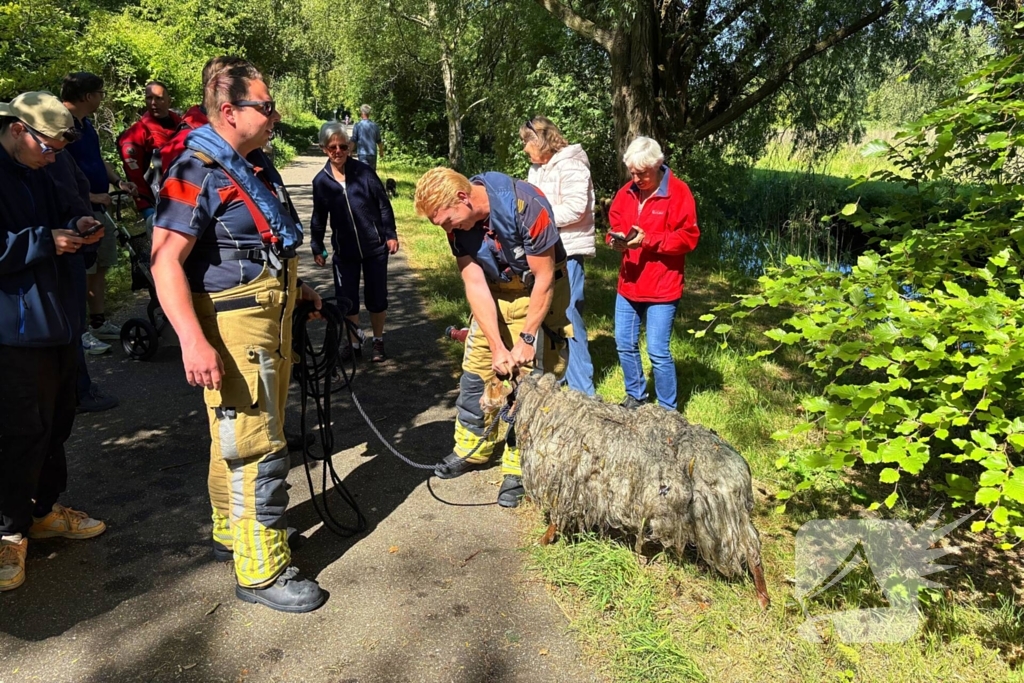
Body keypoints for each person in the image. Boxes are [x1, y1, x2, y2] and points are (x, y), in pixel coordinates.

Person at [150, 62, 326, 613]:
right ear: (229, 112)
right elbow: (164, 263)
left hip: (267, 318)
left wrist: (299, 293)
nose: (275, 116)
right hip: (234, 328)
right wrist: (192, 340)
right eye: (266, 107)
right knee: (254, 445)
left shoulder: (251, 164)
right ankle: (262, 569)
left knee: (234, 436)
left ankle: (236, 530)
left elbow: (255, 246)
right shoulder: (195, 167)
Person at [0, 91, 108, 592]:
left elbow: (70, 202)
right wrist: (43, 240)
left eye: (60, 147)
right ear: (19, 129)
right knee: (20, 429)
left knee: (60, 417)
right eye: (47, 145)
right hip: (11, 331)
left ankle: (43, 511)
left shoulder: (47, 163)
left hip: (59, 317)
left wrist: (82, 223)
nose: (53, 155)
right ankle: (7, 534)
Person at [414, 167, 572, 508]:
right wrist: (498, 346)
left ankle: (519, 468)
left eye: (446, 221)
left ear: (462, 197)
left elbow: (544, 279)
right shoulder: (457, 226)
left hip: (537, 291)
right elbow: (474, 284)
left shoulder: (527, 205)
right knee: (476, 372)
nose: (447, 229)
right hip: (495, 291)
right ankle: (473, 449)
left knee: (528, 384)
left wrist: (526, 340)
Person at [607, 137, 699, 411]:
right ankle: (635, 397)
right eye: (632, 173)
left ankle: (668, 410)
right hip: (629, 282)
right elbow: (614, 224)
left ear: (658, 165)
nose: (636, 179)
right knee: (624, 344)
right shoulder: (626, 192)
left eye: (642, 173)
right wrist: (615, 241)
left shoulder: (679, 192)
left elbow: (689, 238)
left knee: (658, 351)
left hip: (662, 286)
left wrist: (650, 240)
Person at [520, 116, 596, 396]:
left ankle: (583, 389)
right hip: (544, 249)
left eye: (526, 142)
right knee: (547, 315)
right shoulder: (537, 168)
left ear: (540, 139)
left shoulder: (572, 164)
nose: (524, 149)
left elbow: (577, 209)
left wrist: (538, 219)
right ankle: (554, 376)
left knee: (569, 317)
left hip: (568, 250)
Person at [62, 72, 139, 349]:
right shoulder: (61, 126)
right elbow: (58, 174)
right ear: (88, 96)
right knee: (80, 271)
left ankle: (98, 321)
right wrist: (90, 195)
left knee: (100, 267)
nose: (101, 98)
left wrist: (118, 181)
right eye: (100, 93)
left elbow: (96, 161)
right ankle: (79, 331)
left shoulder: (87, 126)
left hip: (99, 207)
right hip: (79, 212)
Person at [311, 122, 399, 363]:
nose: (338, 151)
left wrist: (390, 234)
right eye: (332, 147)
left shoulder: (364, 172)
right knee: (347, 300)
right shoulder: (321, 181)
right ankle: (354, 342)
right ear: (323, 149)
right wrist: (317, 245)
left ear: (349, 146)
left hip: (374, 247)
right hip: (345, 252)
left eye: (343, 146)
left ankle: (378, 340)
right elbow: (319, 217)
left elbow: (383, 205)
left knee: (377, 297)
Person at [44, 140, 119, 413]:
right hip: (53, 251)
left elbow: (77, 186)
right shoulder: (29, 160)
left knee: (71, 324)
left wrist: (79, 221)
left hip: (70, 240)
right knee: (67, 325)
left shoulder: (59, 153)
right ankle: (76, 393)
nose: (51, 151)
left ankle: (78, 391)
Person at [117, 81, 182, 218]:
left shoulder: (182, 125)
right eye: (149, 98)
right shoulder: (135, 135)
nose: (153, 103)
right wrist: (144, 205)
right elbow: (134, 175)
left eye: (159, 98)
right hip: (157, 200)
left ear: (169, 101)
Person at [350, 104, 382, 171]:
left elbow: (354, 140)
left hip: (362, 154)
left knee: (363, 173)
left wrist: (350, 151)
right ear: (369, 114)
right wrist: (381, 151)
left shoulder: (357, 126)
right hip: (372, 153)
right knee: (372, 174)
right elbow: (379, 141)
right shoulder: (375, 126)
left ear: (362, 113)